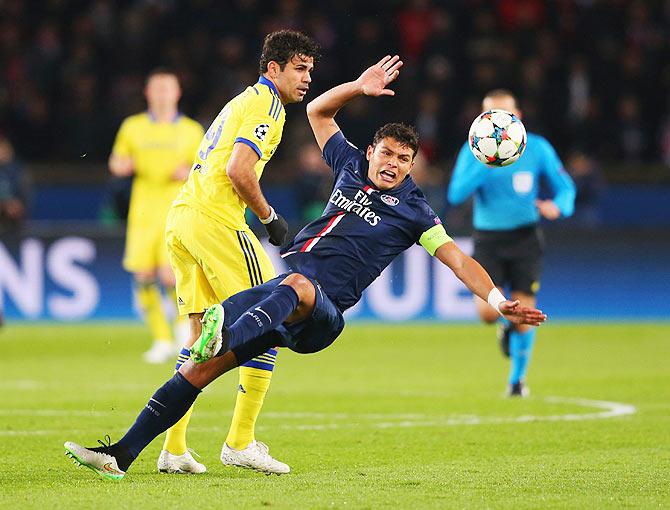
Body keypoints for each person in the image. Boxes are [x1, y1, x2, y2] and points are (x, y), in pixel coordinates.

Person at [63, 55, 546, 480]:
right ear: (370, 151)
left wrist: (500, 301)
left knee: (289, 286)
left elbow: (458, 259)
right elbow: (318, 110)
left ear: (412, 166)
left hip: (323, 313)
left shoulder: (415, 211)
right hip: (284, 300)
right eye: (387, 154)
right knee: (198, 370)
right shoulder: (350, 165)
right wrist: (360, 86)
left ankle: (222, 327)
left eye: (405, 160)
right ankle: (121, 454)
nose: (394, 165)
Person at [156, 30, 319, 476]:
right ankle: (241, 442)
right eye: (299, 68)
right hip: (215, 221)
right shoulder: (266, 107)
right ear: (274, 68)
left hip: (183, 218)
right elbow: (238, 169)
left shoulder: (240, 101)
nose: (307, 78)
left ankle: (174, 449)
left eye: (310, 70)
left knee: (199, 335)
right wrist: (268, 217)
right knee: (273, 316)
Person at [447, 89, 576, 397]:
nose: (497, 124)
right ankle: (503, 327)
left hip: (525, 238)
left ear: (518, 116)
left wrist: (558, 207)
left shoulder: (538, 148)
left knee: (524, 316)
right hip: (488, 239)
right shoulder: (473, 151)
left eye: (505, 116)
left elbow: (566, 189)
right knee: (488, 314)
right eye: (489, 117)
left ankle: (517, 382)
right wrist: (486, 157)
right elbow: (455, 195)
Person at [109, 69, 204, 364]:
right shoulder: (132, 127)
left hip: (175, 210)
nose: (162, 94)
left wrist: (188, 171)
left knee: (169, 274)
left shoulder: (191, 130)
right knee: (143, 275)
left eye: (168, 89)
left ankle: (180, 328)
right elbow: (116, 161)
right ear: (148, 94)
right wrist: (122, 165)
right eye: (157, 89)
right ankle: (161, 338)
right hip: (142, 211)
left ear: (177, 93)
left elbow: (205, 168)